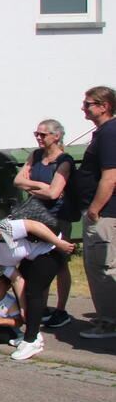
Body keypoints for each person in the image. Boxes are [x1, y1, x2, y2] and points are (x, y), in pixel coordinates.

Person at [0, 218, 74, 361]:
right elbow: (18, 280)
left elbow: (32, 226)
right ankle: (32, 334)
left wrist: (58, 242)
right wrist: (23, 309)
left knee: (33, 290)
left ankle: (32, 341)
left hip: (51, 247)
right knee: (26, 294)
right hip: (33, 256)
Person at [13, 118, 76, 329]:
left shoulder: (64, 161)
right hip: (36, 215)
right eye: (36, 134)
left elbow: (54, 193)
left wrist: (33, 188)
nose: (39, 138)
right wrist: (39, 184)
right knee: (37, 261)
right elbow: (18, 180)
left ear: (56, 136)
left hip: (58, 218)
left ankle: (61, 308)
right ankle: (42, 306)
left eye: (43, 134)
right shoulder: (36, 155)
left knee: (59, 263)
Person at [77, 86, 116, 339]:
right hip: (103, 212)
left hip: (104, 214)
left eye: (89, 103)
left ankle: (109, 323)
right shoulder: (102, 132)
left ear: (104, 106)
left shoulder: (110, 132)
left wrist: (94, 209)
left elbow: (110, 176)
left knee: (102, 267)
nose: (84, 107)